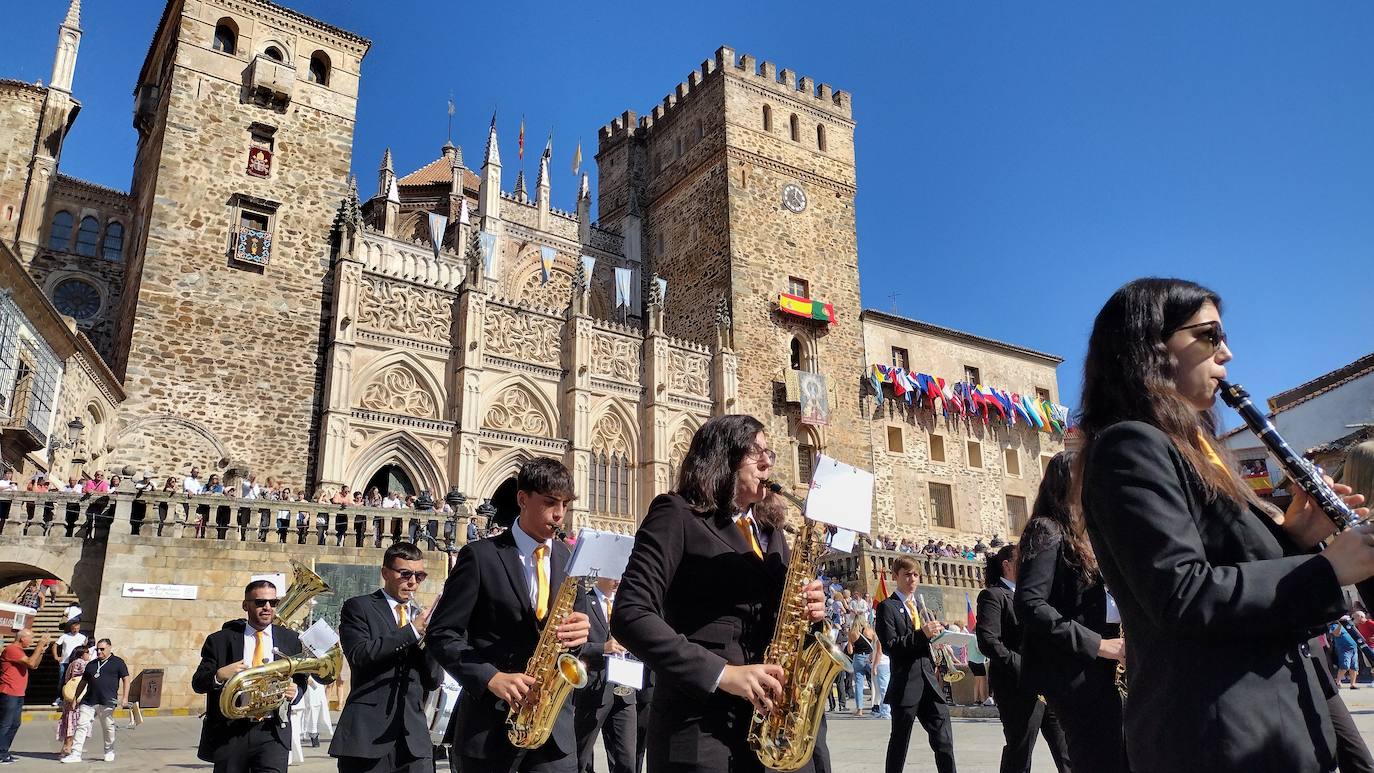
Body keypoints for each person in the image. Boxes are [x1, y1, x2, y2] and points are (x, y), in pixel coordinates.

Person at [1076, 277, 1374, 773]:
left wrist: (1298, 538)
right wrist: (1325, 569)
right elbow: (1182, 594)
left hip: (1272, 723)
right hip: (1218, 735)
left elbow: (1232, 572)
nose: (1227, 353)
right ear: (1152, 345)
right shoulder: (1131, 445)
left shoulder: (1199, 451)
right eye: (1209, 336)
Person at [611, 414, 829, 773]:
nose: (767, 462)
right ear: (723, 456)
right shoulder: (676, 513)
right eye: (754, 452)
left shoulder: (770, 531)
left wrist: (812, 613)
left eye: (769, 453)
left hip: (776, 729)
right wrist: (723, 674)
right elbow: (630, 613)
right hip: (701, 731)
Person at [427, 458, 592, 772]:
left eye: (565, 505)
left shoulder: (570, 558)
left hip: (553, 735)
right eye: (549, 503)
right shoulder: (479, 556)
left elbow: (573, 643)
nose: (559, 515)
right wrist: (490, 676)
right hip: (488, 731)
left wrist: (580, 634)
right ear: (522, 499)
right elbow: (441, 634)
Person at [1013, 451, 1124, 772]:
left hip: (1101, 670)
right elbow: (1030, 604)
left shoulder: (1085, 536)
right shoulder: (1046, 529)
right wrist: (1099, 645)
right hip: (1074, 673)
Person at [330, 541, 442, 772]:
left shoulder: (420, 616)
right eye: (405, 574)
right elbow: (360, 655)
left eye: (419, 576)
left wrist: (433, 640)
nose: (412, 582)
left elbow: (433, 680)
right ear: (385, 573)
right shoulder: (359, 607)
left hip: (414, 738)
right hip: (367, 735)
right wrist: (411, 631)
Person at [191, 580, 311, 772]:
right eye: (260, 602)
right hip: (231, 732)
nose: (267, 608)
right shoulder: (220, 640)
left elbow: (301, 678)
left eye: (273, 603)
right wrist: (219, 675)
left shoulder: (291, 639)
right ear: (245, 605)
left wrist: (296, 692)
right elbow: (198, 683)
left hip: (272, 732)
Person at [976, 544, 1072, 773]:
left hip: (1047, 684)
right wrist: (1023, 666)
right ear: (1006, 565)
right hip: (1016, 686)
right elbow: (989, 641)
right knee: (1020, 749)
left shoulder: (1035, 595)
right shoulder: (994, 596)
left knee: (1065, 748)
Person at [876, 554, 955, 773]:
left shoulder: (922, 606)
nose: (912, 579)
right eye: (907, 574)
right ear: (896, 577)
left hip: (929, 681)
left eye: (916, 574)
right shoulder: (887, 607)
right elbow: (890, 645)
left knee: (944, 740)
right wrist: (922, 635)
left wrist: (938, 641)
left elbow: (926, 639)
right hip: (906, 684)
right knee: (900, 742)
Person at [574, 576, 636, 773]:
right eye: (612, 575)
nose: (617, 580)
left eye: (620, 575)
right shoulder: (583, 601)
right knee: (582, 756)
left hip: (625, 689)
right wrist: (603, 647)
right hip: (593, 689)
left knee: (627, 758)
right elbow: (575, 646)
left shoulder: (627, 602)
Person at [63, 638, 130, 763]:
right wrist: (75, 698)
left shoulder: (118, 662)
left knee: (108, 727)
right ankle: (76, 754)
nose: (99, 652)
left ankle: (109, 751)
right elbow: (83, 682)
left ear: (110, 648)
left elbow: (126, 679)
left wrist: (125, 697)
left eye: (102, 649)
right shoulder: (92, 664)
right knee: (81, 725)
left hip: (107, 701)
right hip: (89, 700)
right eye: (98, 649)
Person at [1, 628, 52, 765]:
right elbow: (30, 662)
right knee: (5, 724)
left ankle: (4, 752)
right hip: (8, 692)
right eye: (30, 638)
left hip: (18, 693)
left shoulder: (20, 651)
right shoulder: (11, 649)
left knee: (15, 724)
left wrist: (41, 650)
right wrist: (39, 645)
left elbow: (34, 665)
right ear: (22, 638)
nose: (32, 641)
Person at [56, 645, 92, 760]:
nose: (89, 655)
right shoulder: (81, 663)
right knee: (75, 723)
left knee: (69, 722)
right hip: (77, 698)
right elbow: (85, 677)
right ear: (82, 654)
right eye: (87, 652)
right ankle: (68, 748)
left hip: (70, 697)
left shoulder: (72, 663)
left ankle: (69, 747)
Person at [846, 619, 879, 717]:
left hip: (858, 659)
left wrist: (849, 640)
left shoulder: (852, 633)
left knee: (858, 685)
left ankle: (859, 709)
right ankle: (877, 705)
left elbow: (850, 651)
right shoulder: (870, 631)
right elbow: (875, 644)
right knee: (875, 683)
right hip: (869, 658)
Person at [51, 619, 88, 692]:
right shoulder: (65, 636)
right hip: (65, 661)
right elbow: (55, 645)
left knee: (75, 681)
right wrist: (56, 656)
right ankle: (59, 698)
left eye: (77, 629)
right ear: (71, 628)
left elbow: (85, 648)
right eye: (74, 628)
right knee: (62, 680)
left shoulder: (82, 637)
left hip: (77, 662)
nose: (76, 630)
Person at [1331, 620, 1361, 689]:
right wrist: (1340, 624)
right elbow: (1336, 634)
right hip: (1344, 649)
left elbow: (1356, 633)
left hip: (1354, 648)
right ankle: (1337, 682)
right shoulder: (1333, 626)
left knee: (1354, 667)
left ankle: (1352, 684)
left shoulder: (1349, 625)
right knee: (1345, 666)